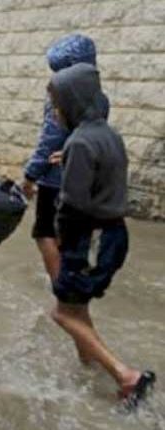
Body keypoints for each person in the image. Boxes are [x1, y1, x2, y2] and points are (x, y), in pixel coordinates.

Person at [46, 63, 155, 410]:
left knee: (63, 314)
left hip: (89, 239)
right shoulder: (109, 134)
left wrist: (61, 240)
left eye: (57, 105)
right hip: (114, 236)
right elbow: (103, 169)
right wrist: (71, 160)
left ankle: (127, 376)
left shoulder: (79, 142)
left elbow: (73, 205)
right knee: (77, 307)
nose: (55, 112)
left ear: (72, 103)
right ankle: (90, 364)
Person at [22, 34, 108, 282]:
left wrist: (30, 175)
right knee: (75, 235)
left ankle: (63, 288)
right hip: (88, 178)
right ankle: (77, 282)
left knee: (45, 233)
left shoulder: (60, 96)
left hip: (57, 180)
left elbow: (50, 140)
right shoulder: (101, 98)